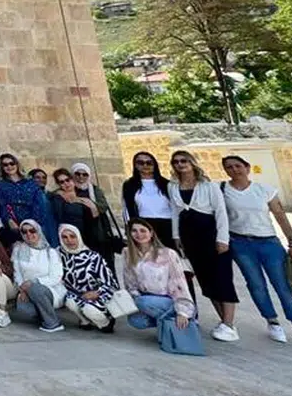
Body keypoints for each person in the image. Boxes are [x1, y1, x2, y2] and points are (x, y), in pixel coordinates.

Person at [221, 155, 292, 346]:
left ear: (247, 167)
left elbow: (281, 216)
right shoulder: (223, 190)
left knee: (284, 284)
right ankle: (272, 321)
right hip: (240, 243)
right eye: (229, 167)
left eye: (237, 166)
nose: (234, 170)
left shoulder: (264, 190)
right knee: (256, 284)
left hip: (268, 242)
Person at [168, 150, 239, 342]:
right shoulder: (173, 186)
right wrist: (176, 236)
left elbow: (221, 213)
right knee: (206, 281)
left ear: (192, 163)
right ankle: (223, 321)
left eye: (184, 161)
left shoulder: (209, 185)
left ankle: (230, 324)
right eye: (176, 162)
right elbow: (175, 212)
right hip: (190, 237)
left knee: (222, 279)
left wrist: (222, 239)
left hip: (210, 234)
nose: (180, 164)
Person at [122, 218, 201, 350]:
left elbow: (179, 282)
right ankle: (165, 325)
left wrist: (182, 311)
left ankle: (180, 320)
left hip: (167, 299)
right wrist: (133, 300)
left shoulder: (167, 253)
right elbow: (130, 282)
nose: (139, 234)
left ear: (151, 233)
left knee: (143, 302)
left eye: (143, 230)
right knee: (135, 320)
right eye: (134, 231)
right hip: (145, 298)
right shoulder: (127, 253)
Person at [57, 224, 117, 333]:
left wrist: (97, 293)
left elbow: (110, 282)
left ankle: (105, 323)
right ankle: (85, 321)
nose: (69, 240)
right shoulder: (58, 255)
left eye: (72, 236)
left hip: (97, 294)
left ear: (79, 237)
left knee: (88, 308)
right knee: (69, 301)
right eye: (64, 237)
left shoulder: (93, 256)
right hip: (76, 294)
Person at [10, 219, 66, 333]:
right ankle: (42, 315)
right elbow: (18, 274)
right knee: (23, 308)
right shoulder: (18, 250)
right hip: (27, 290)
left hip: (51, 290)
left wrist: (34, 283)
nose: (29, 234)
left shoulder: (51, 252)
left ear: (39, 231)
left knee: (36, 289)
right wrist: (22, 289)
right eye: (24, 232)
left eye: (32, 230)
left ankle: (53, 323)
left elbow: (56, 277)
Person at [0, 154, 56, 248]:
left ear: (17, 164)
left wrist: (33, 222)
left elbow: (38, 202)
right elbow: (2, 203)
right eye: (5, 165)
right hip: (15, 223)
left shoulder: (30, 182)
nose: (9, 166)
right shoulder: (0, 184)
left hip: (33, 220)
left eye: (12, 163)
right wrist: (9, 220)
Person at [121, 151, 175, 249]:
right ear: (135, 165)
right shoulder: (129, 185)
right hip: (144, 225)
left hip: (167, 224)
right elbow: (126, 209)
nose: (145, 165)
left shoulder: (166, 184)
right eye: (140, 163)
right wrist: (130, 228)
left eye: (149, 163)